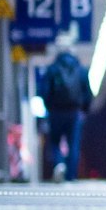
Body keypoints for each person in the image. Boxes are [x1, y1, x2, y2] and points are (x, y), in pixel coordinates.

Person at [37, 41, 92, 183]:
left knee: (54, 142)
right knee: (73, 143)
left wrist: (48, 106)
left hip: (55, 111)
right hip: (74, 112)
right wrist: (84, 110)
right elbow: (88, 94)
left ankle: (58, 164)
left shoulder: (52, 69)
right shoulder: (81, 69)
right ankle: (71, 176)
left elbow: (43, 91)